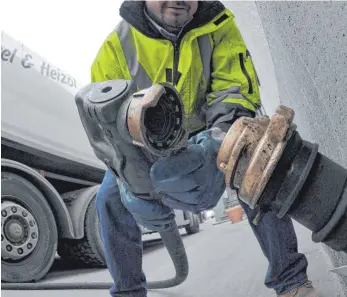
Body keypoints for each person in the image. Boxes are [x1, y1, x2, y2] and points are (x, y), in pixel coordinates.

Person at [91, 1, 320, 297]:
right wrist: (129, 180)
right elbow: (108, 127)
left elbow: (234, 89)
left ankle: (290, 281)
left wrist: (219, 144)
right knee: (110, 198)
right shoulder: (116, 48)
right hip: (147, 145)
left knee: (254, 161)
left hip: (211, 128)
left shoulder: (219, 25)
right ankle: (128, 293)